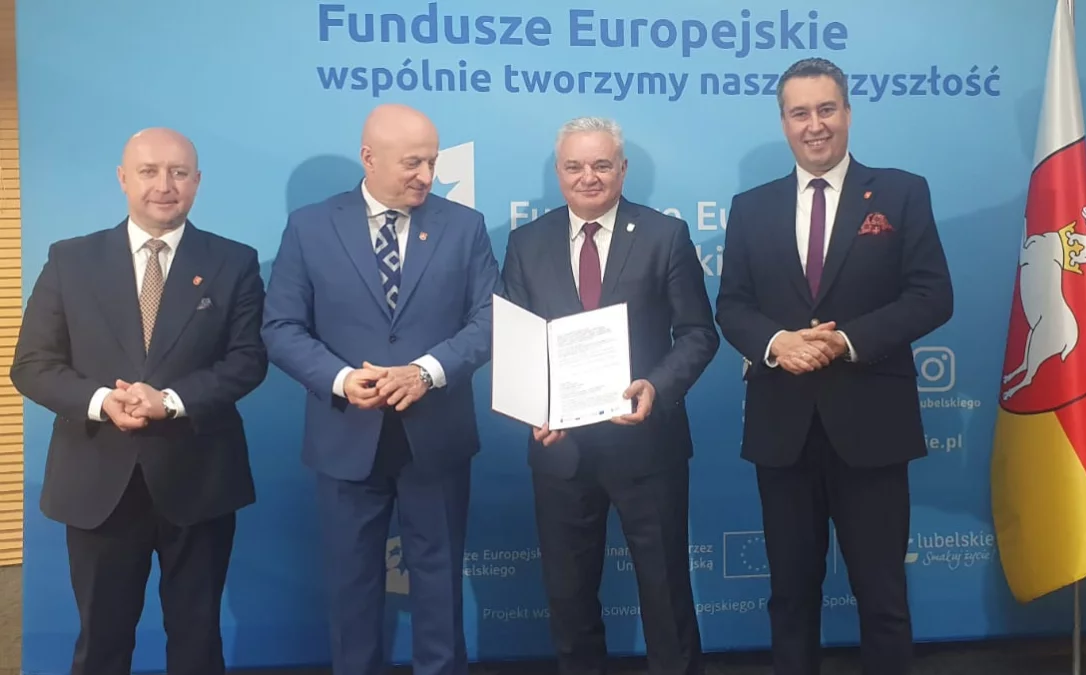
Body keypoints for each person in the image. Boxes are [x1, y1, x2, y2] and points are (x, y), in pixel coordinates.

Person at [715, 58, 953, 675]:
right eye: (800, 113)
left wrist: (845, 341)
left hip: (872, 425)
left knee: (883, 597)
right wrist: (777, 343)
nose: (814, 125)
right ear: (784, 123)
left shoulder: (901, 192)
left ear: (847, 112)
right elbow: (732, 305)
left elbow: (932, 295)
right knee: (791, 597)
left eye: (826, 109)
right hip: (783, 429)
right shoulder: (750, 207)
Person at [10, 127, 267, 675]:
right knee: (101, 642)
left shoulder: (234, 262)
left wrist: (170, 401)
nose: (164, 185)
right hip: (97, 481)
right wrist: (104, 400)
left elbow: (248, 361)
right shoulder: (71, 260)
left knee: (198, 640)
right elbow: (32, 365)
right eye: (149, 171)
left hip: (199, 478)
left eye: (179, 172)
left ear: (197, 181)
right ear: (123, 179)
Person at [261, 103, 500, 675]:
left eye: (433, 162)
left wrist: (427, 371)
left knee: (439, 583)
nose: (427, 175)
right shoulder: (310, 227)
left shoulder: (464, 226)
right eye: (412, 163)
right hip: (347, 435)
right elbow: (281, 327)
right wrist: (341, 379)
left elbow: (491, 319)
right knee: (351, 587)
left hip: (435, 436)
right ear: (368, 158)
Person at [500, 117, 718, 675]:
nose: (588, 177)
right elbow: (514, 342)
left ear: (622, 169)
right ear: (558, 172)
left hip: (648, 447)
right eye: (574, 166)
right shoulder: (526, 243)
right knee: (569, 599)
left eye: (601, 165)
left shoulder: (664, 236)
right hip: (561, 450)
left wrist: (657, 386)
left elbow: (698, 333)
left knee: (666, 594)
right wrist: (535, 407)